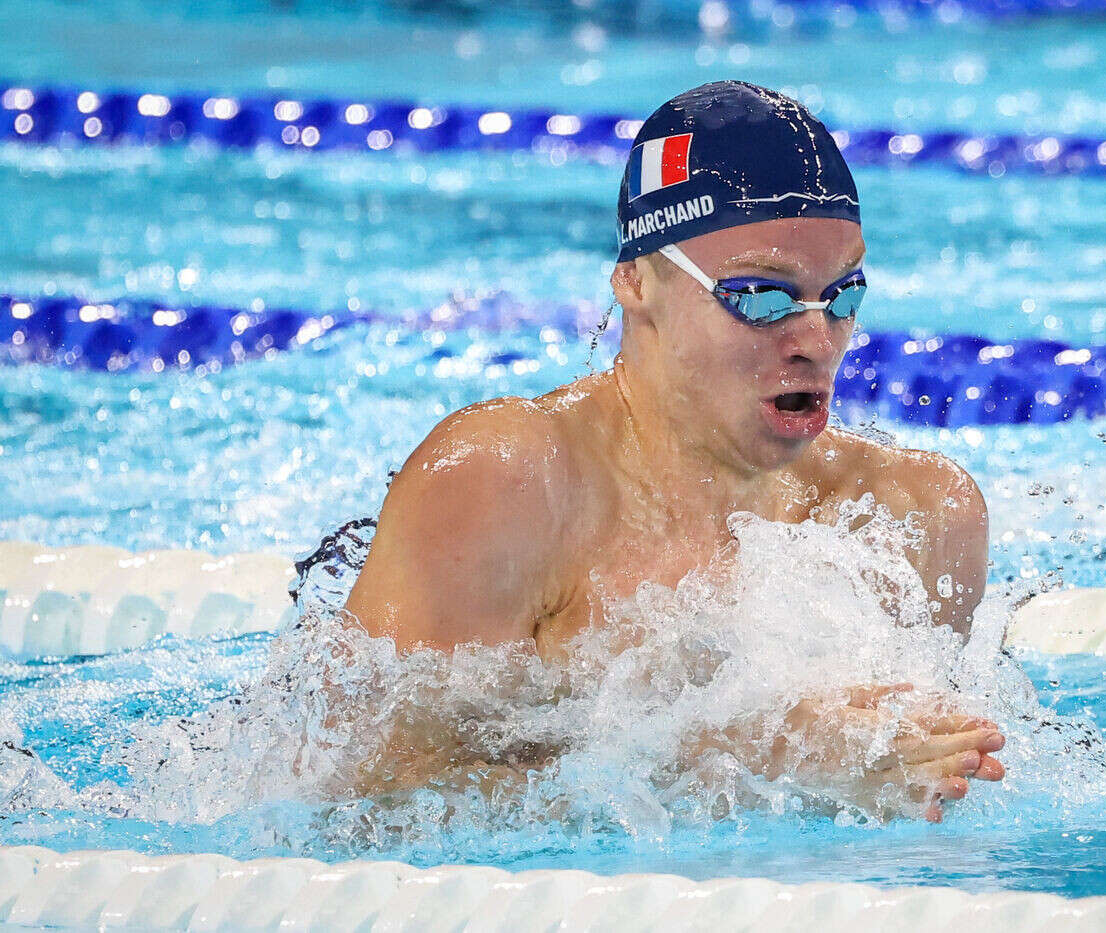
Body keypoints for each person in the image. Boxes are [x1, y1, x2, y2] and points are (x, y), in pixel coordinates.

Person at [344, 80, 1004, 821]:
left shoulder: (914, 519)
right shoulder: (506, 489)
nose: (818, 342)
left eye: (843, 294)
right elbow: (369, 799)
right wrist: (764, 751)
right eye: (761, 296)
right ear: (635, 280)